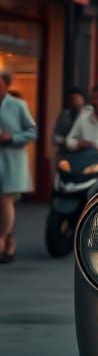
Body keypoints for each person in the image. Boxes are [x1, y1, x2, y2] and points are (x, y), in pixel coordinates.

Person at [0, 69, 38, 262]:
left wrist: (12, 137)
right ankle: (9, 241)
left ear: (7, 85)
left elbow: (32, 132)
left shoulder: (17, 105)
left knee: (6, 200)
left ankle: (3, 239)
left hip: (11, 161)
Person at [52, 87, 86, 151]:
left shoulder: (89, 114)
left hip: (85, 151)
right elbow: (56, 137)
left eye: (77, 99)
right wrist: (67, 142)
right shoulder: (64, 116)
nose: (74, 102)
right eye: (72, 99)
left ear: (83, 100)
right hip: (67, 151)